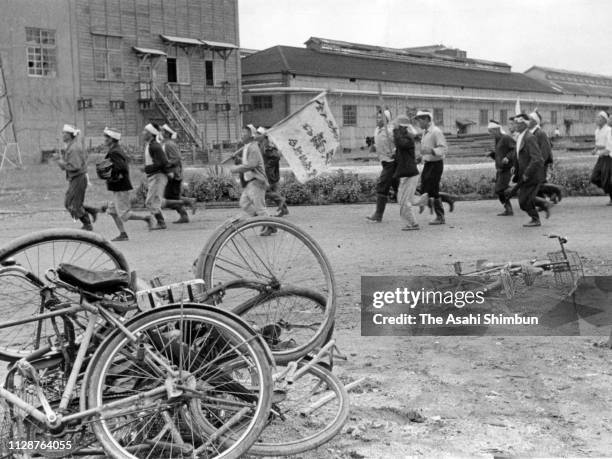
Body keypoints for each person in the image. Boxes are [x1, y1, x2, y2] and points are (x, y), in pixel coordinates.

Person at [98, 127, 153, 241]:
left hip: (120, 187)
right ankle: (123, 234)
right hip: (118, 186)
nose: (105, 139)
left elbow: (121, 167)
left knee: (123, 214)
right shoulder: (115, 149)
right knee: (112, 211)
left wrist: (112, 174)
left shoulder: (114, 151)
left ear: (112, 139)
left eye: (107, 137)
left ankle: (147, 218)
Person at [54, 124, 97, 231]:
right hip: (75, 179)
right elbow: (66, 167)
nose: (63, 135)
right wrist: (59, 160)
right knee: (69, 203)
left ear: (70, 135)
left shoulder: (74, 149)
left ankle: (87, 224)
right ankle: (90, 212)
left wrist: (61, 162)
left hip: (78, 178)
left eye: (65, 133)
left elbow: (75, 166)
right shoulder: (71, 147)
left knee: (72, 204)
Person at [509, 114, 549, 227]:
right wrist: (515, 167)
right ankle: (540, 211)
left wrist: (527, 173)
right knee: (524, 200)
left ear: (524, 124)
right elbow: (518, 155)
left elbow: (537, 159)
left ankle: (536, 219)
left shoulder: (529, 137)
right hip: (524, 174)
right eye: (515, 123)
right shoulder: (520, 137)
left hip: (531, 175)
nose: (516, 125)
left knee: (523, 201)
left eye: (518, 123)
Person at [231, 125, 271, 234]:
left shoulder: (253, 147)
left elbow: (251, 165)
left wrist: (236, 169)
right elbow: (246, 162)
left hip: (257, 181)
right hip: (250, 181)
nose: (242, 134)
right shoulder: (247, 147)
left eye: (245, 132)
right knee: (244, 203)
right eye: (242, 132)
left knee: (260, 207)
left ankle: (270, 225)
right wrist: (237, 159)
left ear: (250, 135)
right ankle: (264, 222)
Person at [414, 110, 448, 225]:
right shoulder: (425, 132)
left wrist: (431, 151)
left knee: (432, 190)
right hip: (428, 164)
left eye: (420, 120)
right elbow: (426, 150)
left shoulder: (436, 132)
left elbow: (443, 149)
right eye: (418, 121)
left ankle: (440, 216)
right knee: (425, 188)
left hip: (436, 164)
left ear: (427, 119)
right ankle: (442, 204)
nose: (419, 123)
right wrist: (421, 157)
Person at [159, 124, 196, 223]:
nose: (161, 133)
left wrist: (165, 165)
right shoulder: (166, 143)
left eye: (162, 131)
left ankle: (189, 202)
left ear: (167, 133)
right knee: (172, 197)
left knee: (170, 198)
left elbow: (176, 158)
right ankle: (184, 215)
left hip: (174, 174)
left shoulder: (169, 144)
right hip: (171, 174)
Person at [366, 109, 397, 222]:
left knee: (382, 186)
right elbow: (378, 142)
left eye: (381, 117)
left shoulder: (391, 130)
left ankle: (378, 215)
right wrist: (373, 146)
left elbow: (400, 144)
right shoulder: (377, 130)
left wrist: (395, 151)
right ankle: (436, 199)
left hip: (391, 163)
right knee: (400, 190)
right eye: (377, 117)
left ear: (387, 120)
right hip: (384, 162)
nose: (378, 119)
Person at [392, 116, 421, 231]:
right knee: (401, 199)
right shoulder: (404, 138)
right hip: (405, 173)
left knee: (405, 201)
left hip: (410, 174)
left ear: (402, 128)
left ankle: (413, 223)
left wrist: (395, 132)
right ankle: (411, 221)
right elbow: (401, 150)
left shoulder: (408, 138)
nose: (396, 129)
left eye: (398, 127)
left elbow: (401, 143)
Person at [528, 111, 563, 203]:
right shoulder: (531, 133)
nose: (527, 121)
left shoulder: (540, 133)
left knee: (538, 183)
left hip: (541, 162)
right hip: (535, 162)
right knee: (538, 182)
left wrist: (540, 162)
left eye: (530, 119)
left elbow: (545, 149)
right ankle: (550, 197)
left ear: (535, 122)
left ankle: (555, 191)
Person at [143, 123, 170, 230]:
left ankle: (161, 222)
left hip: (158, 176)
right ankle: (160, 221)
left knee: (152, 201)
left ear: (151, 134)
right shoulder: (150, 145)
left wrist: (148, 168)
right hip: (154, 176)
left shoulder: (155, 146)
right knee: (152, 201)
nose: (143, 133)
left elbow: (163, 162)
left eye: (145, 131)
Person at [486, 120, 515, 216]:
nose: (490, 134)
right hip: (499, 169)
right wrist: (492, 154)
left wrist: (508, 157)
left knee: (499, 189)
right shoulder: (497, 140)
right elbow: (499, 155)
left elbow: (515, 149)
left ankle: (519, 190)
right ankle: (508, 209)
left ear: (497, 129)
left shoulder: (506, 138)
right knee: (500, 190)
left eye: (491, 131)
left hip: (507, 169)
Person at [258, 127, 289, 217]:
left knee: (264, 192)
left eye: (259, 134)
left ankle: (281, 201)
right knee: (274, 191)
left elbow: (276, 157)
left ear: (264, 136)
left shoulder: (267, 145)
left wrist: (267, 166)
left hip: (269, 174)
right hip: (268, 173)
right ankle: (284, 209)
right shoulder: (261, 144)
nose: (257, 135)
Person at [590, 111, 612, 205]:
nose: (597, 119)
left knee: (606, 180)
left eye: (599, 118)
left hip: (608, 157)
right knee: (594, 177)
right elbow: (598, 144)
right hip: (601, 157)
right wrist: (595, 150)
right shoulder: (597, 131)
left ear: (604, 120)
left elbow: (609, 146)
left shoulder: (609, 130)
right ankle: (609, 191)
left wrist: (602, 152)